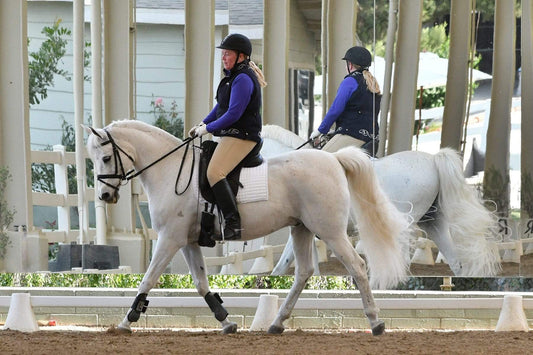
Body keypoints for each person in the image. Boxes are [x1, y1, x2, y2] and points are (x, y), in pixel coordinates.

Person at [189, 33, 267, 241]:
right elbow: (220, 108)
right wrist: (203, 123)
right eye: (223, 53)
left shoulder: (242, 79)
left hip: (243, 135)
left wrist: (208, 129)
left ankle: (233, 223)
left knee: (215, 172)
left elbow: (233, 114)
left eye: (228, 54)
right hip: (233, 134)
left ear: (241, 56)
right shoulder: (232, 78)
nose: (223, 57)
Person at [310, 46, 381, 154]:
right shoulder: (372, 82)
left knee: (319, 160)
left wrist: (321, 130)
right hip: (372, 138)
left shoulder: (350, 81)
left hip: (352, 135)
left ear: (350, 64)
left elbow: (335, 110)